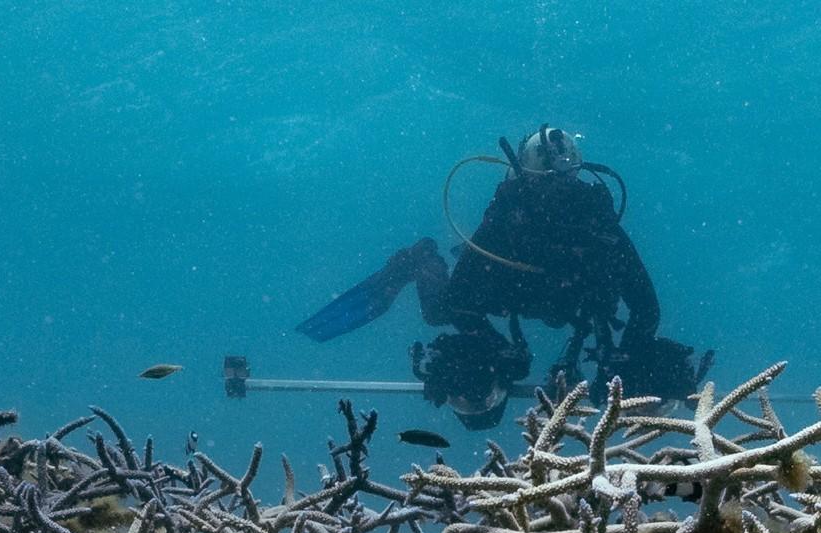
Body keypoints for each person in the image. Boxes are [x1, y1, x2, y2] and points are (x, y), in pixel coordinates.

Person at [296, 125, 709, 426]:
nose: (557, 193)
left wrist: (626, 355)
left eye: (565, 181)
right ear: (524, 178)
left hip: (578, 301)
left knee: (648, 403)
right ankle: (421, 260)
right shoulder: (505, 221)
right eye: (546, 183)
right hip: (508, 293)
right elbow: (460, 301)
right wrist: (491, 345)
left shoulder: (597, 220)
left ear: (578, 175)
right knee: (442, 321)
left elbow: (644, 302)